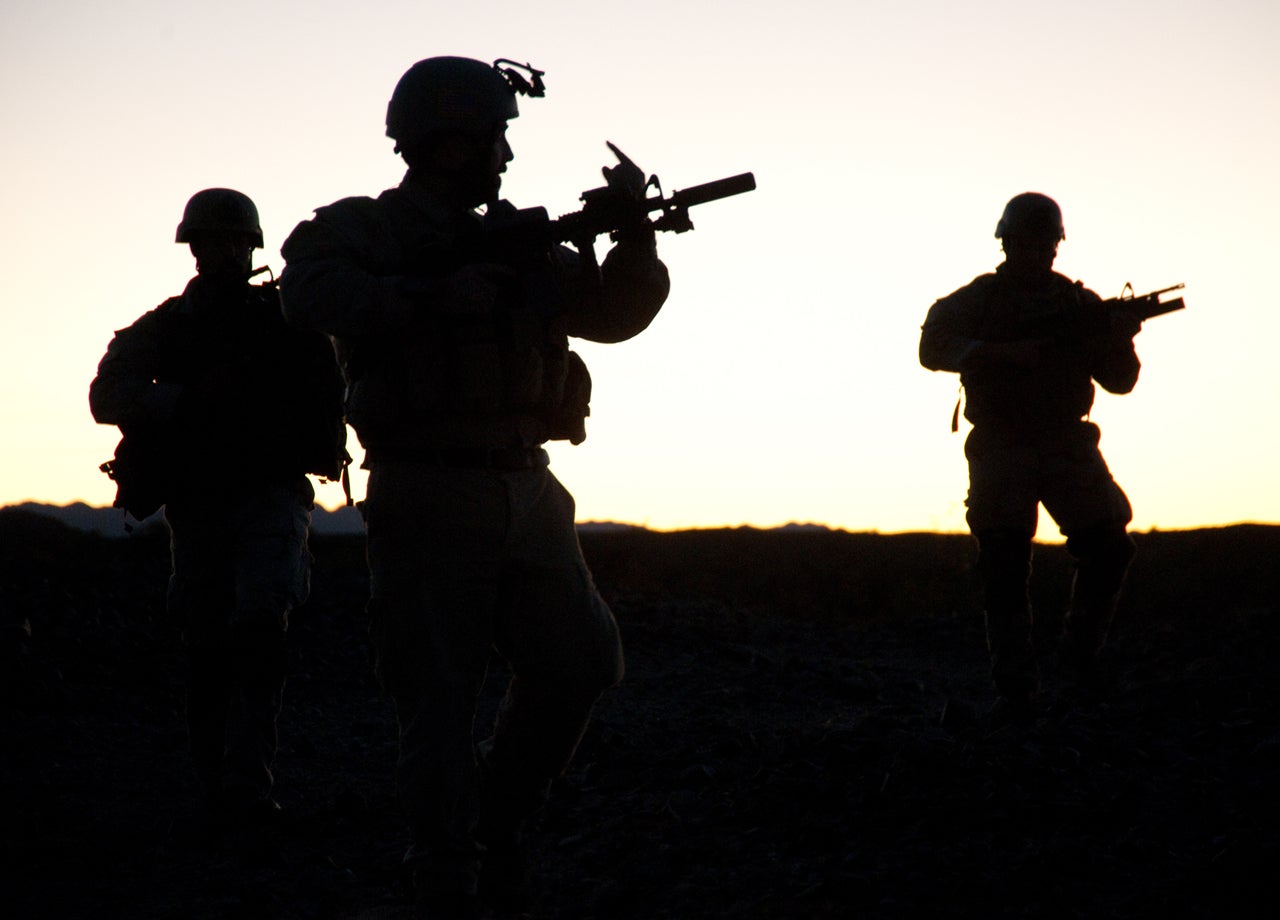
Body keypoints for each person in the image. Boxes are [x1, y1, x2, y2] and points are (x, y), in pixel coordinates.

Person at [279, 57, 670, 916]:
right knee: (439, 699)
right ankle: (447, 873)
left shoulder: (520, 241)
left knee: (581, 661)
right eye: (494, 137)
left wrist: (631, 236)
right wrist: (430, 296)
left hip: (530, 486)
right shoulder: (363, 231)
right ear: (446, 141)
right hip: (426, 489)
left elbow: (611, 316)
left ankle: (496, 821)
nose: (504, 155)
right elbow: (307, 295)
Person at [90, 188, 347, 824]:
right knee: (207, 642)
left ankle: (249, 787)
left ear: (251, 245)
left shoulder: (290, 319)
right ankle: (215, 787)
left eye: (233, 241)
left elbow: (338, 381)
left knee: (261, 630)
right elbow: (107, 396)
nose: (223, 252)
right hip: (201, 499)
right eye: (211, 241)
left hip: (271, 494)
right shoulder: (170, 326)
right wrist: (187, 401)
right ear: (194, 248)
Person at [919, 192, 1143, 713]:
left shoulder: (1077, 305)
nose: (1041, 252)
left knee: (1109, 547)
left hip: (1066, 441)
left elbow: (1121, 381)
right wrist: (997, 354)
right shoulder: (979, 300)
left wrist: (1120, 338)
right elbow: (932, 346)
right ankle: (1015, 689)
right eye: (1031, 241)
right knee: (1003, 560)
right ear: (1007, 241)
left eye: (1048, 243)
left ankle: (1076, 664)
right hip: (1002, 442)